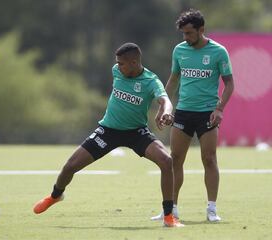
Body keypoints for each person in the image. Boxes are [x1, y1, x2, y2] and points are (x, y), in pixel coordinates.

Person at [33, 43, 183, 227]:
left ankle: (168, 216)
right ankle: (55, 196)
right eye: (117, 63)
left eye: (122, 63)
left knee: (167, 162)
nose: (117, 66)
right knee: (70, 165)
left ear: (134, 62)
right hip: (109, 131)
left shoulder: (151, 81)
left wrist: (166, 111)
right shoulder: (117, 71)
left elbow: (165, 100)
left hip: (136, 132)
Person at [150, 9, 234, 222]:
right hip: (183, 112)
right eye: (183, 34)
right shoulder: (179, 50)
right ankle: (171, 209)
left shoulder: (218, 52)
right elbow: (174, 79)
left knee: (209, 159)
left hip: (207, 113)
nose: (186, 38)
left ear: (201, 30)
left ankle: (212, 210)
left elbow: (229, 84)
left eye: (189, 33)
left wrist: (219, 109)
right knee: (175, 160)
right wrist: (164, 106)